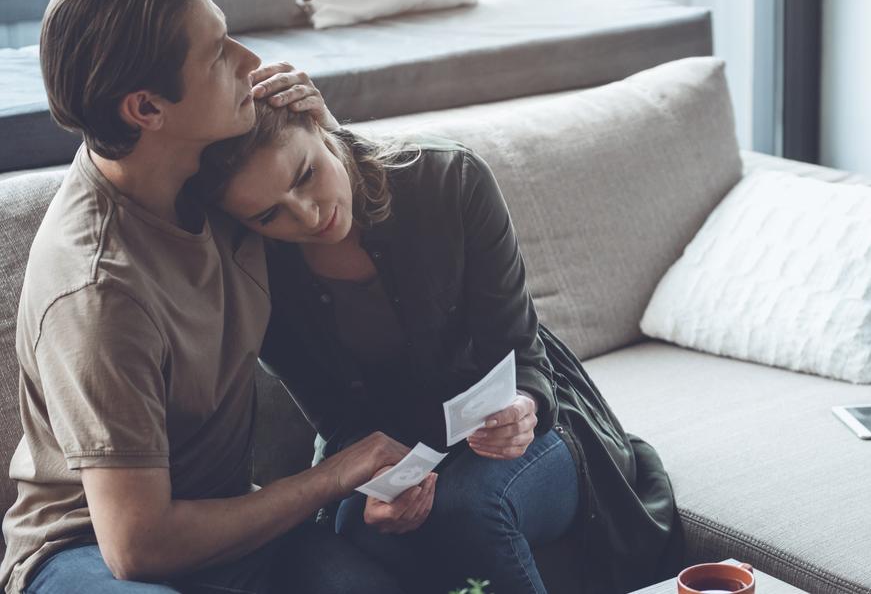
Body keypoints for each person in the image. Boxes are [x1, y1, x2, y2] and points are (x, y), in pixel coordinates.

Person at [0, 0, 414, 592]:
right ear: (146, 108)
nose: (251, 59)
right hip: (87, 550)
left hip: (228, 524)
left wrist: (323, 134)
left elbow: (378, 229)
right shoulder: (98, 288)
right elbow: (137, 547)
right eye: (219, 51)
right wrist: (335, 476)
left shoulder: (220, 177)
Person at [190, 95, 684, 593]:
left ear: (320, 127)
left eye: (305, 175)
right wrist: (378, 493)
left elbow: (522, 354)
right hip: (393, 450)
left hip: (531, 426)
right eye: (270, 215)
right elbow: (338, 420)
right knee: (342, 545)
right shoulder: (260, 274)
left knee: (469, 508)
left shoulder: (449, 179)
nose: (307, 214)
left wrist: (522, 405)